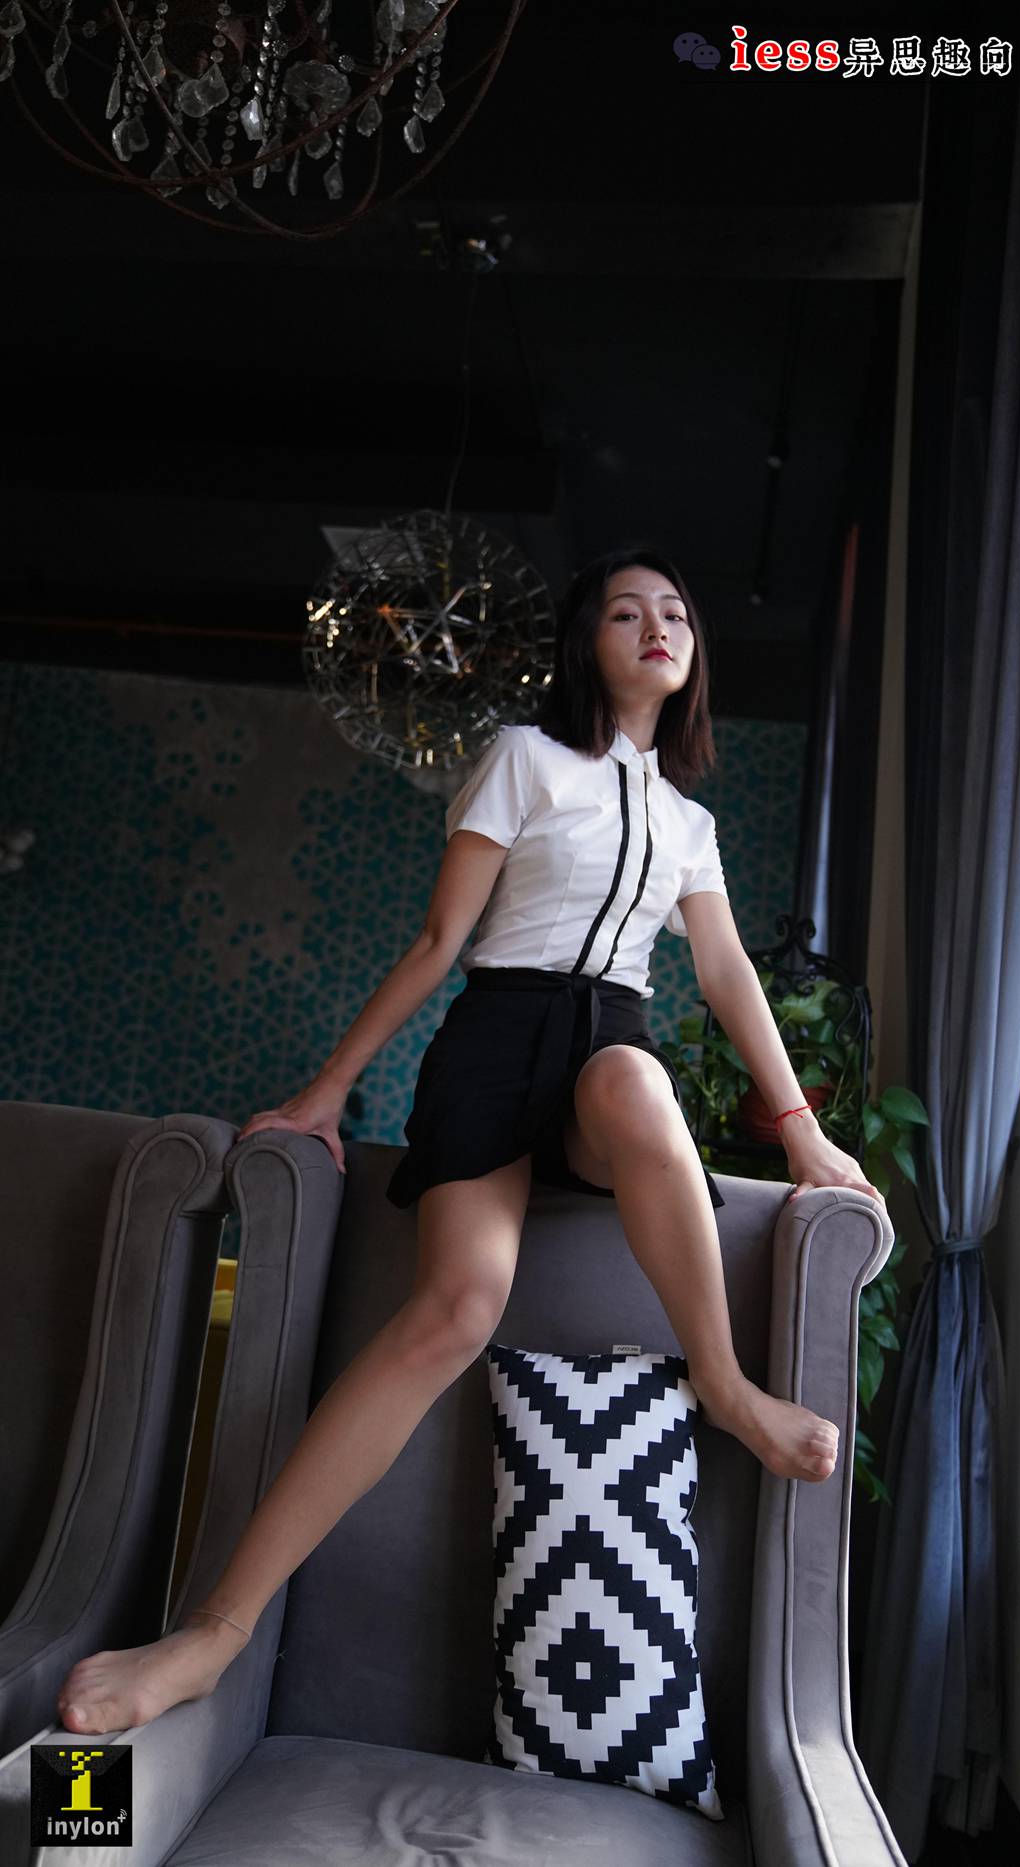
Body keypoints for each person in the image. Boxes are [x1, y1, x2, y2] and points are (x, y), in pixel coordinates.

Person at [55, 546, 887, 1738]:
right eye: (625, 611)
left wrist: (801, 1133)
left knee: (639, 1087)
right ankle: (212, 1633)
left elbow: (725, 973)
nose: (657, 626)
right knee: (454, 1311)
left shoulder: (689, 824)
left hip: (606, 1050)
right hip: (498, 1037)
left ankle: (721, 1382)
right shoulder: (523, 758)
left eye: (675, 613)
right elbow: (440, 940)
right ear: (586, 644)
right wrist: (327, 1093)